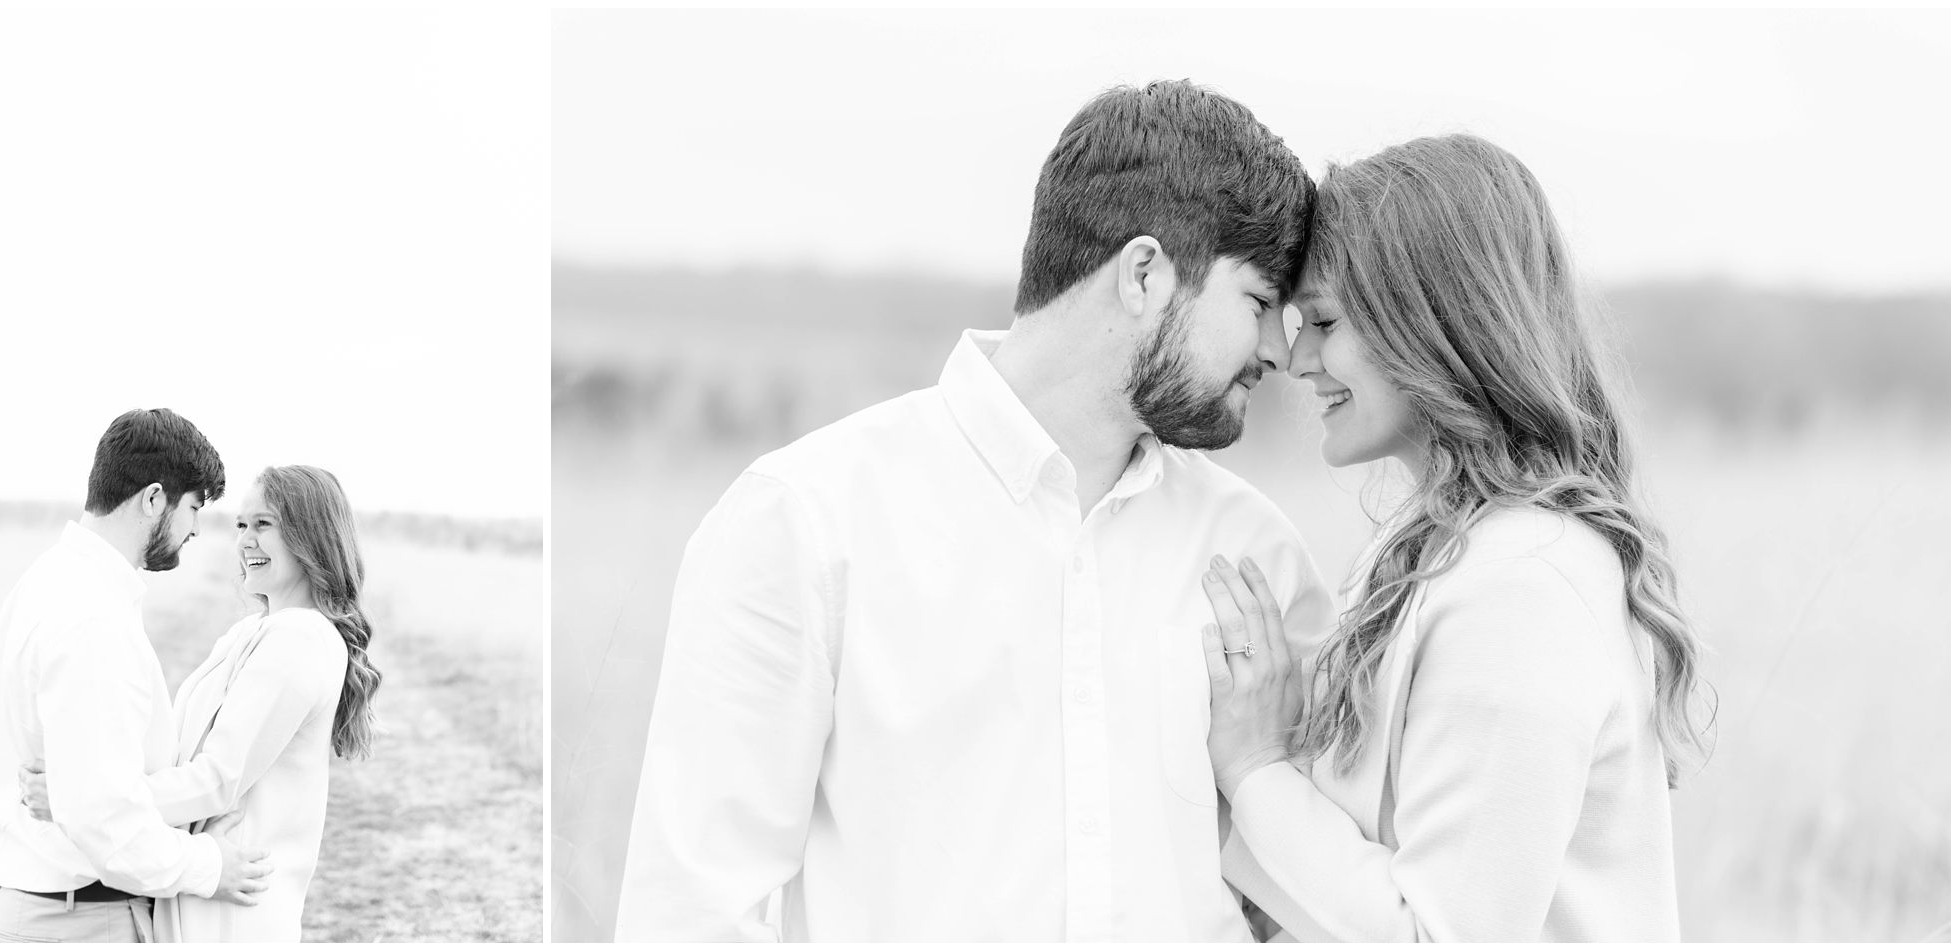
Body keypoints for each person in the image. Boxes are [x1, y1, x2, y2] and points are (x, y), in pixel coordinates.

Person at [615, 79, 1334, 941]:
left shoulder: (1259, 555)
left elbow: (1306, 901)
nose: (1278, 352)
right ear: (1144, 273)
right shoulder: (807, 521)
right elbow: (693, 907)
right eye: (1257, 302)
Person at [1198, 134, 1707, 941]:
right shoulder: (1441, 551)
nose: (1296, 357)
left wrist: (1257, 771)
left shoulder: (1522, 583)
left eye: (1324, 319)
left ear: (1433, 322)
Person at [20, 464, 381, 941]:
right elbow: (181, 754)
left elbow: (218, 778)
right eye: (241, 525)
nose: (246, 541)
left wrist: (81, 796)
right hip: (201, 893)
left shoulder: (302, 638)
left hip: (235, 909)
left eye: (264, 524)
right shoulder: (252, 631)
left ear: (309, 534)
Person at [0, 408, 273, 942]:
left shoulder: (49, 581)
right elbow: (103, 816)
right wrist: (211, 866)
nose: (195, 530)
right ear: (153, 498)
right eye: (192, 508)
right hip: (81, 922)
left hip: (47, 910)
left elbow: (86, 787)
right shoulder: (92, 615)